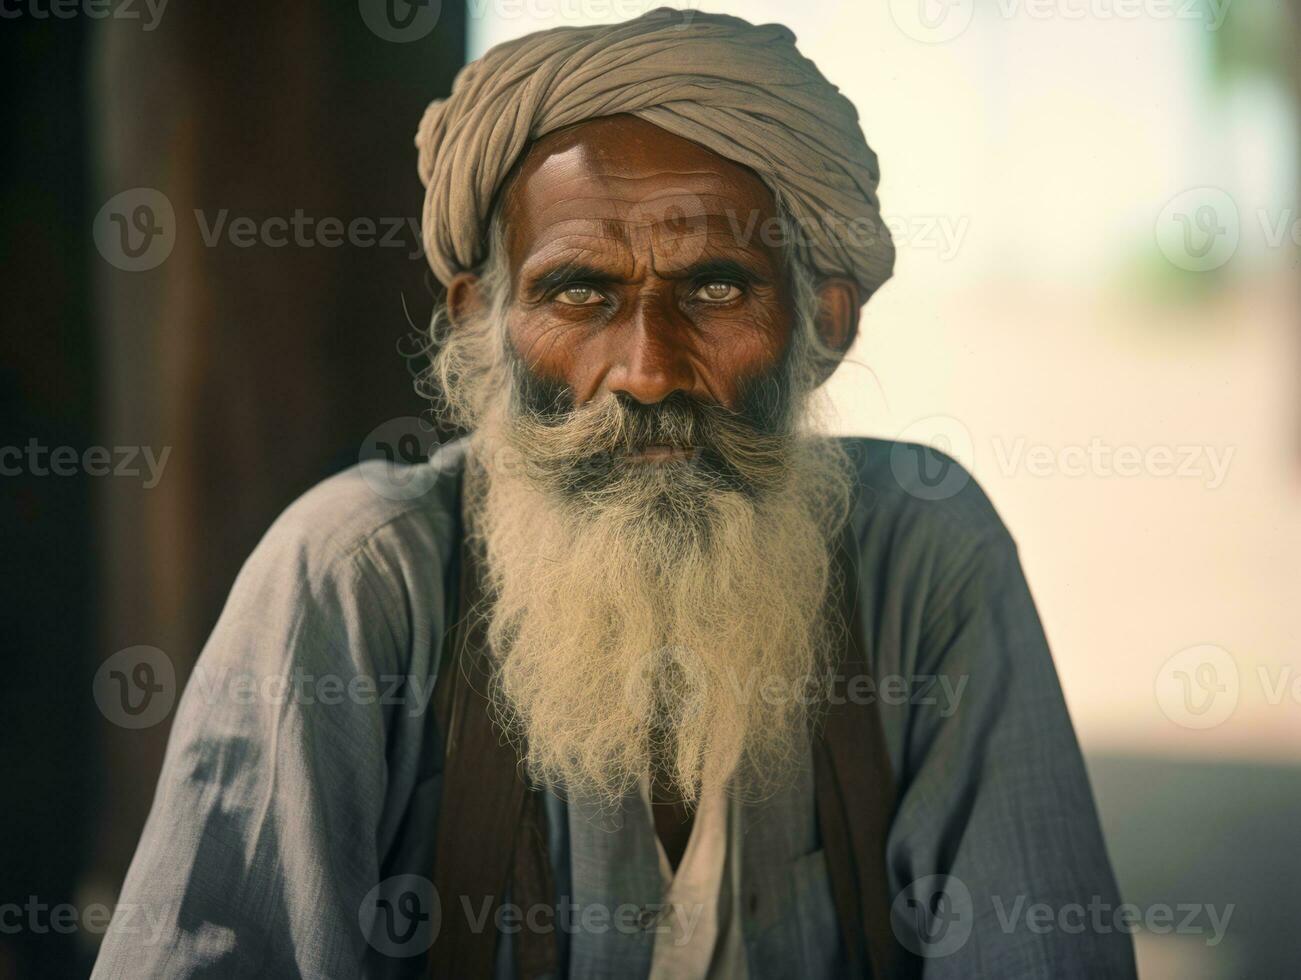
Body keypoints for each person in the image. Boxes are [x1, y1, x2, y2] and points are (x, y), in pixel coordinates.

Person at [93, 9, 1135, 978]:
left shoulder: (921, 555)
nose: (646, 368)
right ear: (476, 325)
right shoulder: (355, 580)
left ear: (823, 322)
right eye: (578, 291)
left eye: (715, 288)